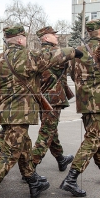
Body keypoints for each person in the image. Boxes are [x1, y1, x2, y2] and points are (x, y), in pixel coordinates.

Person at [0, 25, 79, 198]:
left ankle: (32, 181)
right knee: (10, 152)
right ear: (21, 40)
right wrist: (75, 51)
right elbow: (53, 57)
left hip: (4, 111)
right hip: (20, 112)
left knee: (24, 147)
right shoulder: (27, 56)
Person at [59, 20, 100, 196]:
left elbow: (72, 74)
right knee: (93, 139)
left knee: (96, 136)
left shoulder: (78, 51)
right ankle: (71, 179)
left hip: (84, 101)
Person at [31, 26, 75, 172]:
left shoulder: (36, 54)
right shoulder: (54, 53)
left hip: (42, 97)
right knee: (47, 132)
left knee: (50, 129)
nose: (56, 37)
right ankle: (30, 167)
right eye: (53, 35)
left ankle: (60, 158)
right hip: (53, 98)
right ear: (45, 38)